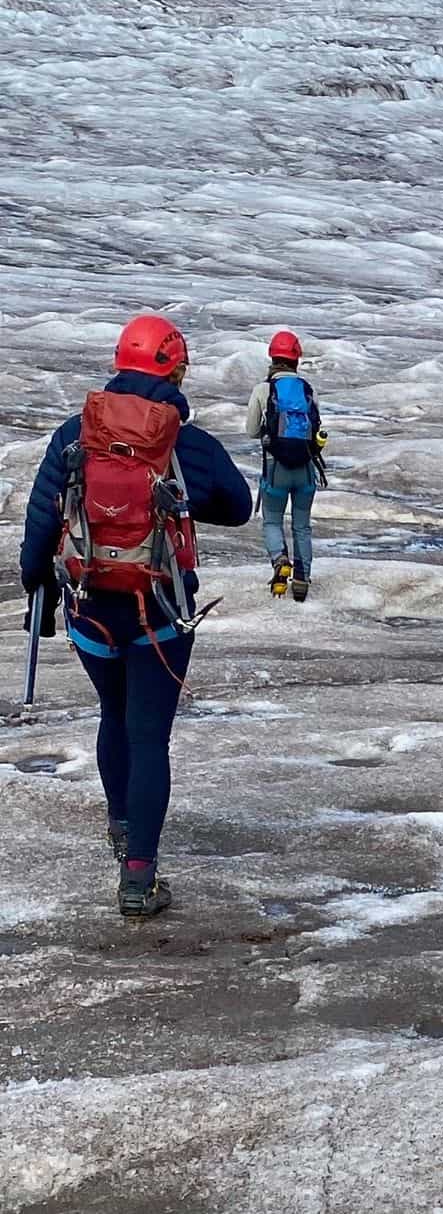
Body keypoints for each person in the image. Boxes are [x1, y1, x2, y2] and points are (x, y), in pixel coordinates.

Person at [19, 314, 252, 917]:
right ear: (175, 367)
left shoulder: (75, 433)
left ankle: (122, 825)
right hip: (161, 614)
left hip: (89, 608)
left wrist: (36, 588)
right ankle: (139, 877)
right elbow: (237, 506)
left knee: (112, 717)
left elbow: (43, 519)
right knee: (148, 736)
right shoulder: (186, 444)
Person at [245, 331, 327, 602]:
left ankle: (280, 561)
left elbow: (251, 431)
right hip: (305, 469)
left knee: (272, 520)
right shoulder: (307, 389)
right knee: (302, 525)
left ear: (273, 357)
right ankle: (302, 580)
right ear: (296, 359)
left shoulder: (263, 390)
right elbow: (316, 425)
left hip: (276, 468)